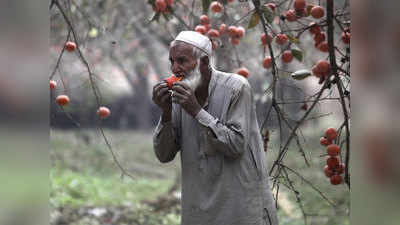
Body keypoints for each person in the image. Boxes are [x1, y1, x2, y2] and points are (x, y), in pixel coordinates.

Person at [152, 31, 278, 225]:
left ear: (204, 61)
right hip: (199, 209)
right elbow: (164, 155)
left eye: (182, 61)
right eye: (172, 61)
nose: (175, 68)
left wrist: (196, 110)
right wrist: (166, 112)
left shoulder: (236, 88)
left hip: (239, 205)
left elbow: (236, 145)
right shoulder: (177, 98)